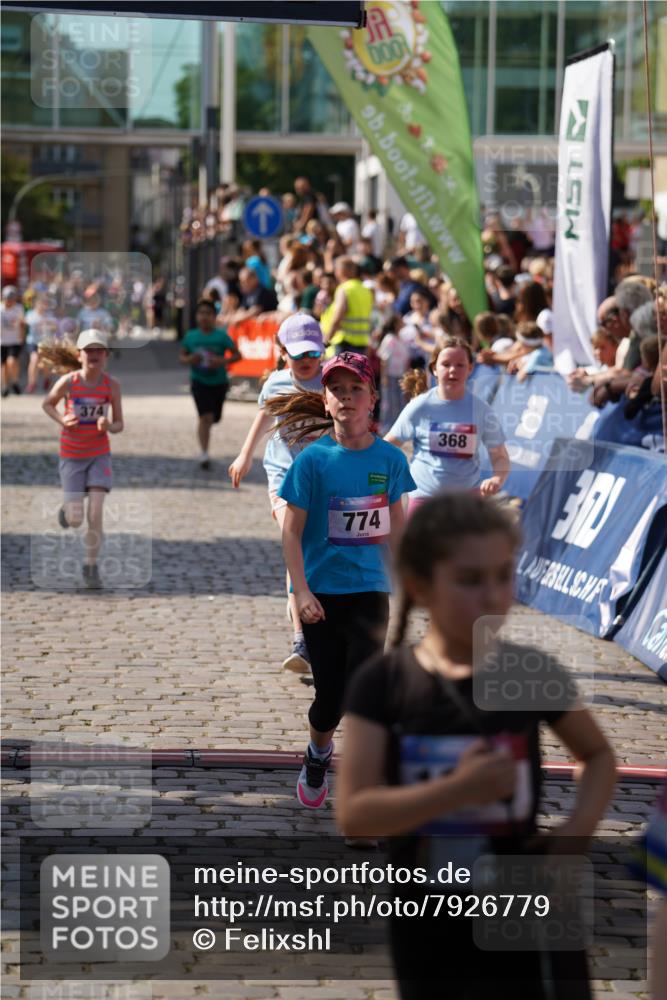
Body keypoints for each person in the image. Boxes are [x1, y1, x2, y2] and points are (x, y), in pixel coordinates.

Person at [337, 492, 617, 1000]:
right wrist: (455, 790)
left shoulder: (529, 671)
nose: (491, 596)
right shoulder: (383, 683)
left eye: (503, 576)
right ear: (421, 587)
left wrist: (576, 833)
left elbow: (597, 756)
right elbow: (355, 814)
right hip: (428, 917)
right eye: (469, 580)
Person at [270, 352, 415, 808]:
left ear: (373, 398)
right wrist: (302, 591)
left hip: (371, 592)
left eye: (356, 389)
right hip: (323, 598)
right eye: (337, 390)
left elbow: (399, 531)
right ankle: (318, 752)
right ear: (326, 400)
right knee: (330, 699)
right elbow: (291, 532)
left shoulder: (390, 461)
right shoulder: (312, 462)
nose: (346, 397)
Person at [228, 314, 326, 674]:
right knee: (295, 541)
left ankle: (314, 620)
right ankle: (301, 638)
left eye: (312, 353)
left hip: (322, 477)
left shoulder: (330, 381)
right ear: (282, 351)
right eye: (297, 353)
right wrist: (244, 454)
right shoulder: (276, 384)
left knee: (316, 550)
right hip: (284, 476)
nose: (305, 361)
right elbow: (264, 417)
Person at [385, 337, 509, 514]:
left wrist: (497, 478)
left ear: (470, 369)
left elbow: (500, 456)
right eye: (446, 364)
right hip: (424, 501)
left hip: (467, 503)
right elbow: (388, 447)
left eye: (460, 365)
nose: (453, 370)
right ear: (434, 369)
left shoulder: (482, 410)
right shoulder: (420, 406)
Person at [41, 330, 124, 590]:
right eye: (89, 350)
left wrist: (108, 425)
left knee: (96, 511)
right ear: (79, 355)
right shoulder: (69, 381)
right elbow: (47, 404)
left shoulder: (112, 386)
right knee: (76, 518)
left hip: (99, 455)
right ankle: (67, 513)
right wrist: (62, 419)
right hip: (72, 455)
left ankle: (91, 566)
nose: (94, 354)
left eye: (99, 350)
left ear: (106, 355)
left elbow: (120, 423)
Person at [179, 299, 242, 469]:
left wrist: (222, 361)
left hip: (219, 382)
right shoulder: (191, 337)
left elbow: (237, 355)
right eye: (201, 313)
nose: (204, 317)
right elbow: (182, 357)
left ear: (214, 317)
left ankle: (206, 433)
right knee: (205, 416)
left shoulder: (221, 336)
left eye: (208, 314)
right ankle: (204, 453)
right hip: (199, 381)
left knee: (215, 418)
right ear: (197, 316)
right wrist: (190, 359)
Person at [320, 257, 374, 356]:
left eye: (336, 269)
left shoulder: (344, 288)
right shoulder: (365, 290)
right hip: (362, 344)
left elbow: (338, 316)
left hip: (345, 344)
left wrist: (326, 340)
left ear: (341, 270)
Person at [1, 285, 25, 396]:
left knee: (11, 361)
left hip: (14, 340)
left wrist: (21, 336)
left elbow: (21, 324)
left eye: (11, 299)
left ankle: (14, 381)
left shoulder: (18, 308)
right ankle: (5, 386)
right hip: (2, 341)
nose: (9, 302)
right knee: (3, 365)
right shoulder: (1, 309)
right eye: (7, 299)